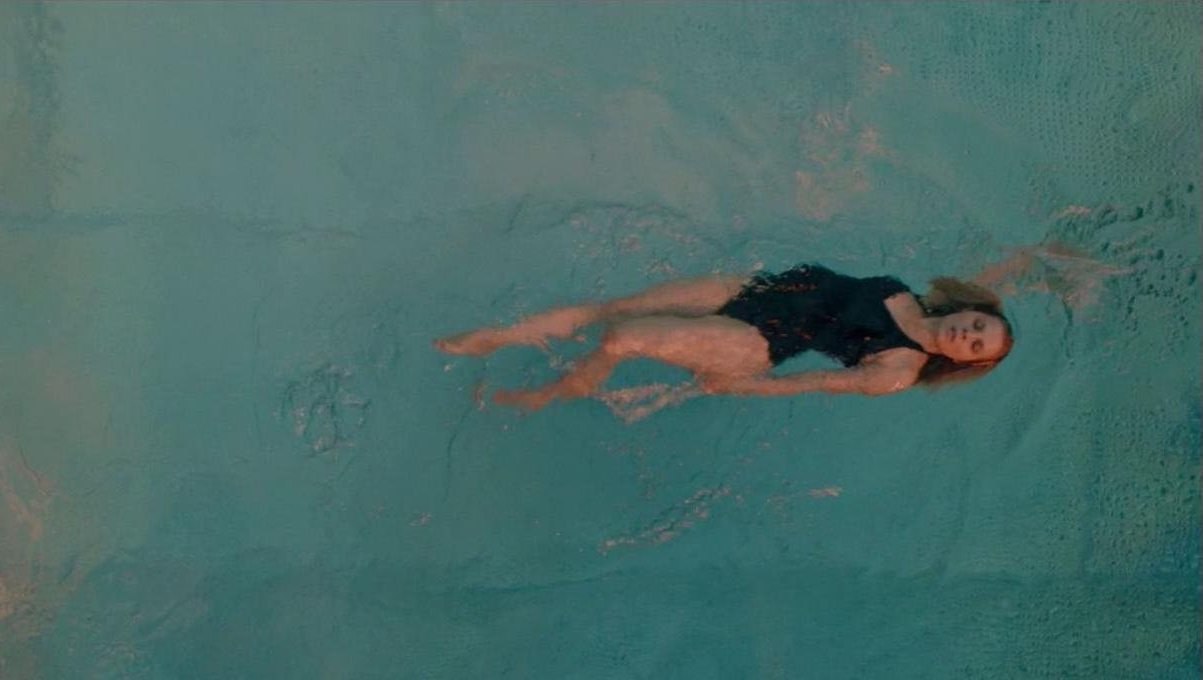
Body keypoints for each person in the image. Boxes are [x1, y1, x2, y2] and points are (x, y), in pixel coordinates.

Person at [435, 262, 1016, 408]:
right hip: (756, 290)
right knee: (608, 308)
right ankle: (499, 337)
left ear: (961, 362)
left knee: (619, 337)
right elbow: (996, 274)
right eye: (976, 324)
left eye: (974, 345)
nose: (967, 333)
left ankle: (558, 390)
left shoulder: (898, 370)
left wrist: (742, 385)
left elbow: (812, 383)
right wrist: (1041, 263)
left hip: (757, 342)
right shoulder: (914, 297)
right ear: (968, 310)